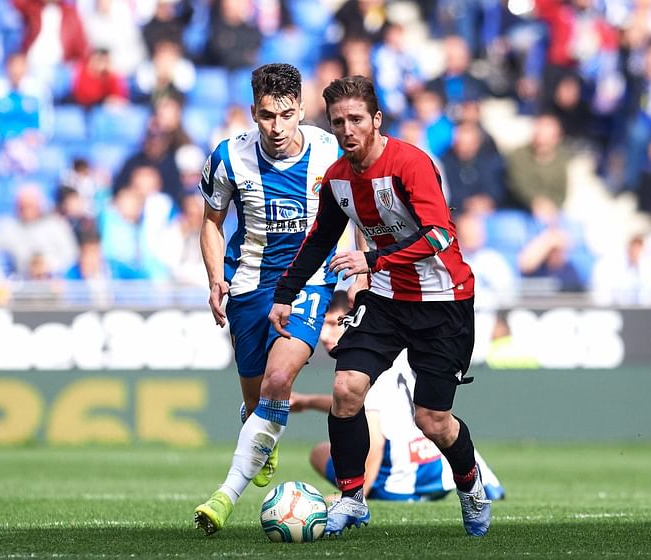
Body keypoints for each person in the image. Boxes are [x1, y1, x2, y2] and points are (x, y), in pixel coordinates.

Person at [268, 75, 491, 537]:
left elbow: (440, 235)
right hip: (386, 299)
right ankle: (352, 498)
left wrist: (371, 258)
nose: (347, 130)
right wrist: (284, 293)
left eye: (355, 119)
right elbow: (318, 242)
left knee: (433, 421)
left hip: (442, 301)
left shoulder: (410, 163)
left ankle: (470, 486)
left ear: (376, 120)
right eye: (337, 122)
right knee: (347, 388)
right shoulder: (337, 179)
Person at [192, 63, 341, 536]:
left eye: (286, 114)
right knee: (258, 397)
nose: (276, 127)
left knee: (280, 377)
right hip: (249, 284)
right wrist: (216, 276)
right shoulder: (228, 159)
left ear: (301, 109)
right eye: (265, 116)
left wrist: (356, 271)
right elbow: (212, 223)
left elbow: (351, 212)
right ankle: (263, 433)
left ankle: (224, 496)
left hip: (309, 281)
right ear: (252, 112)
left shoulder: (328, 150)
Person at [291, 292, 506, 503]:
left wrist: (357, 495)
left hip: (405, 473)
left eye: (333, 323)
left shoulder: (365, 363)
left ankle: (363, 494)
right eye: (323, 325)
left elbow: (374, 438)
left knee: (321, 453)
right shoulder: (393, 351)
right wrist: (306, 402)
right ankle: (479, 483)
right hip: (435, 468)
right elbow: (357, 406)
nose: (324, 335)